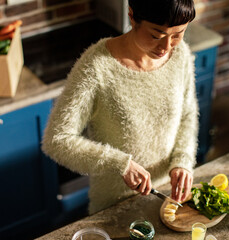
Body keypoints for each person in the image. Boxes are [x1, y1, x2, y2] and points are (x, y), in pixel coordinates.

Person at [42, 0, 198, 215]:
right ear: (132, 16)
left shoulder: (180, 55)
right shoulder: (97, 65)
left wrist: (182, 161)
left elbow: (187, 115)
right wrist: (119, 164)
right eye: (156, 35)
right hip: (114, 202)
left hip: (169, 194)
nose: (166, 46)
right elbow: (56, 139)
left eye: (178, 34)